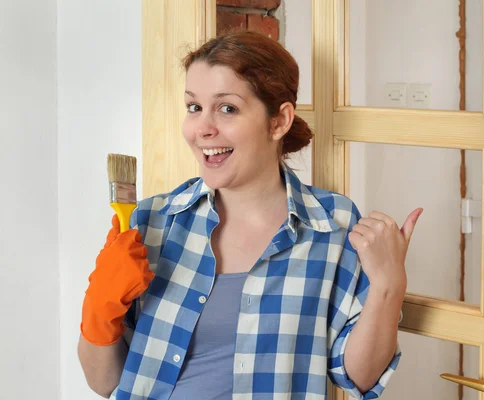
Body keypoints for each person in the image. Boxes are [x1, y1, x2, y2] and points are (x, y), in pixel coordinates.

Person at [78, 31, 422, 400]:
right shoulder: (153, 221)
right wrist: (99, 309)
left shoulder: (331, 225)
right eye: (194, 107)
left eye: (227, 108)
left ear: (279, 122)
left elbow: (359, 378)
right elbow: (104, 383)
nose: (203, 129)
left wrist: (388, 286)